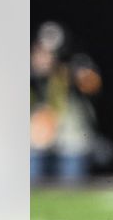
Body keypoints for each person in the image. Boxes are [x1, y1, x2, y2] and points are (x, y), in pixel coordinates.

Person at [30, 22, 102, 182]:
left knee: (72, 185)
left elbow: (93, 85)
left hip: (70, 135)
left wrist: (78, 75)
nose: (47, 57)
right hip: (38, 134)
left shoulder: (74, 65)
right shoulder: (30, 71)